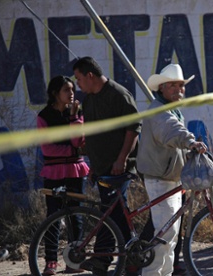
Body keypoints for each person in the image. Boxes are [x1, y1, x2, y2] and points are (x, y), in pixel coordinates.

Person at [73, 57, 142, 275]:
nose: (77, 85)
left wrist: (121, 159)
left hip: (119, 169)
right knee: (116, 214)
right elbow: (93, 135)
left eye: (79, 79)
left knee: (109, 212)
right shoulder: (88, 99)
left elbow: (133, 129)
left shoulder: (118, 95)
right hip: (102, 167)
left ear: (90, 76)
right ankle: (133, 259)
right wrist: (93, 165)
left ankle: (102, 261)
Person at [136, 63, 207, 276]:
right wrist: (190, 141)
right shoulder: (160, 111)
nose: (179, 89)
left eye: (181, 85)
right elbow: (171, 130)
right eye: (172, 85)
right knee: (164, 234)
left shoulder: (172, 108)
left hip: (171, 178)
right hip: (160, 178)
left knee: (171, 235)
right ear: (162, 88)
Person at [37, 75, 89, 275]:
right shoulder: (44, 116)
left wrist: (75, 118)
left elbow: (78, 142)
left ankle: (74, 260)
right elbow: (48, 149)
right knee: (54, 216)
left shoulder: (76, 113)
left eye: (72, 89)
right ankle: (51, 261)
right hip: (54, 171)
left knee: (77, 215)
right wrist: (72, 151)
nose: (71, 93)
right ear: (54, 93)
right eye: (66, 90)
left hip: (75, 171)